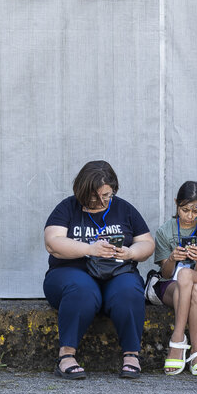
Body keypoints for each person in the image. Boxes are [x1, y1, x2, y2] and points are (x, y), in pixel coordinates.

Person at [43, 160, 155, 379]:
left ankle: (131, 355)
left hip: (116, 272)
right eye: (95, 196)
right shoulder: (67, 208)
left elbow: (147, 243)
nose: (102, 201)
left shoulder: (124, 208)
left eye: (107, 195)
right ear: (82, 190)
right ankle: (66, 356)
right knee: (81, 289)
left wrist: (130, 253)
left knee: (129, 290)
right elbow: (52, 242)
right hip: (71, 272)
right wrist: (89, 249)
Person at [152, 181, 197, 376]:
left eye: (196, 211)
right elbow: (165, 274)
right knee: (195, 291)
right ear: (176, 204)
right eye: (185, 209)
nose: (190, 216)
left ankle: (177, 340)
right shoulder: (165, 231)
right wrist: (172, 258)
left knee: (188, 275)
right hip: (171, 286)